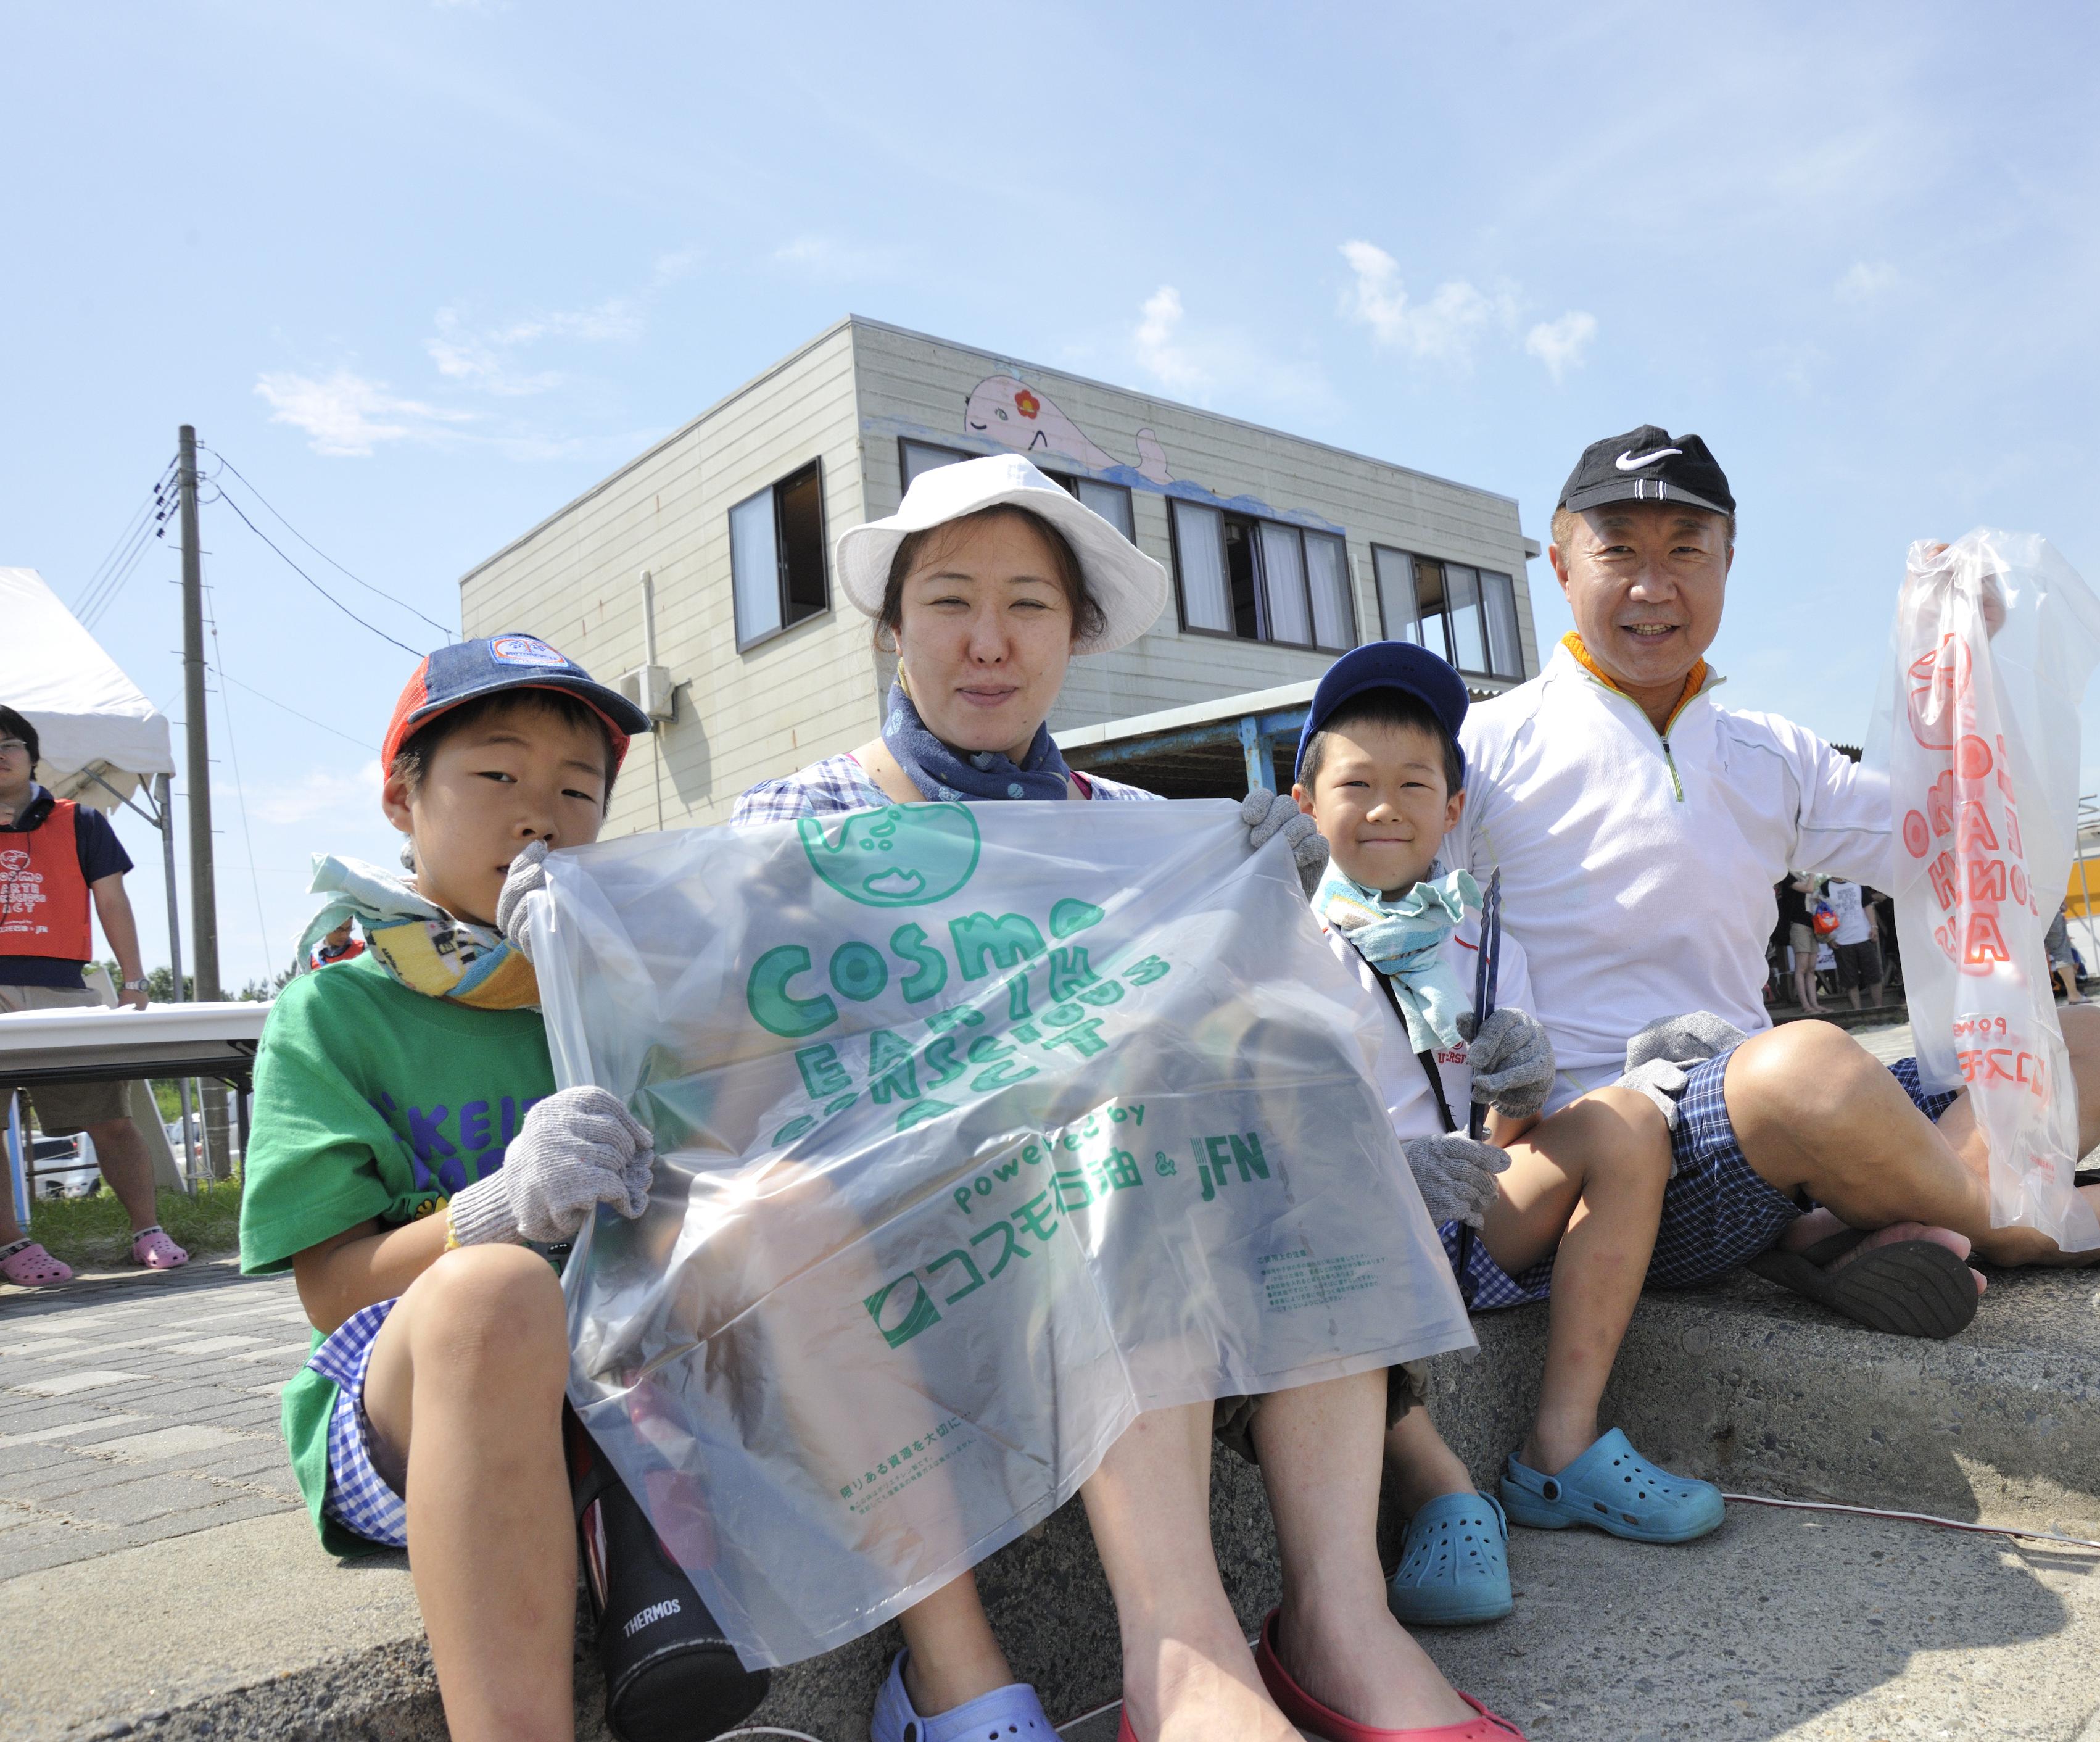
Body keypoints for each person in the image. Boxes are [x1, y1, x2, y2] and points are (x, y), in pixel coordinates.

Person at [732, 454, 1513, 1742]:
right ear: (890, 627)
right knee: (1108, 1104)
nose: (989, 640)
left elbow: (1241, 1048)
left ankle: (1340, 1613)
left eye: (1029, 604)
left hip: (1138, 1237)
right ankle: (1179, 1646)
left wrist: (1265, 925)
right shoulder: (795, 816)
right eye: (948, 601)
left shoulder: (1146, 827)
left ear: (1078, 632)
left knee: (1295, 1069)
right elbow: (741, 1080)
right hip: (912, 1266)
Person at [1444, 426, 2100, 1341]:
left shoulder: (1770, 752)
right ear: (1560, 566)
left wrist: (1957, 675)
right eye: (1618, 551)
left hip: (1770, 1140)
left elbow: (1951, 850)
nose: (1653, 586)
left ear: (1727, 562)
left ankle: (1854, 1226)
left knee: (2091, 1043)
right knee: (1807, 1066)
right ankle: (2030, 1229)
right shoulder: (1477, 750)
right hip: (1615, 1158)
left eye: (1685, 551)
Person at [234, 638, 709, 1742]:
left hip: (612, 1388)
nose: (538, 814)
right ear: (402, 799)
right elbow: (333, 1289)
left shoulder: (623, 998)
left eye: (577, 791)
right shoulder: (337, 1008)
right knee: (497, 1288)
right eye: (497, 774)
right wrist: (502, 1207)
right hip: (422, 1405)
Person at [1288, 643, 1718, 1632]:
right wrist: (1388, 1177)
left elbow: (1501, 1131)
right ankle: (1440, 1485)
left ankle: (1559, 1446)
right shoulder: (1280, 936)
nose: (1385, 806)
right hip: (1343, 1232)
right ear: (1304, 802)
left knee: (1624, 1118)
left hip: (1468, 1221)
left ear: (1452, 809)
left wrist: (1520, 1090)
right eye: (1355, 783)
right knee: (1305, 1220)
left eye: (1414, 783)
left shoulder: (1485, 940)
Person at [0, 703, 188, 1286]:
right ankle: (11, 1245)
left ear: (33, 754)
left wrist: (134, 980)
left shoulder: (80, 820)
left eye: (8, 744)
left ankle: (147, 1230)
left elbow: (112, 901)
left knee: (110, 1116)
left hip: (61, 986)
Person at [1826, 876, 1887, 1010]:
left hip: (1864, 936)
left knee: (1874, 975)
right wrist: (1829, 937)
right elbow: (1822, 913)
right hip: (1841, 940)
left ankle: (1879, 1007)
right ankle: (1857, 1010)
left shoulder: (1858, 881)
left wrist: (1874, 927)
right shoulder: (1825, 887)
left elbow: (1868, 905)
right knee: (1850, 980)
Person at [1773, 874, 1823, 1012]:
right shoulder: (1788, 877)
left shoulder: (1803, 876)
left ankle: (1814, 1003)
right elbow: (1808, 889)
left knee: (1811, 968)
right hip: (1798, 924)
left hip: (1811, 924)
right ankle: (1806, 1005)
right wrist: (1813, 873)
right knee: (1801, 967)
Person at [2044, 903, 2085, 1004]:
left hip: (2023, 913)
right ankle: (2073, 995)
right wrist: (2061, 903)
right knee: (2062, 954)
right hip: (2048, 910)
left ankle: (2039, 999)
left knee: (2032, 956)